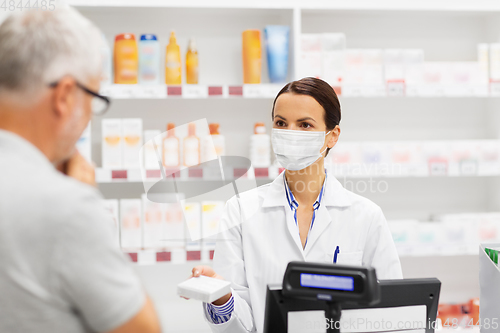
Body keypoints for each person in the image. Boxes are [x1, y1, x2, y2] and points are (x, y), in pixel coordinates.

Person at [191, 77, 403, 333]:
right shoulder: (240, 210)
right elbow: (241, 323)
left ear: (332, 136)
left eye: (304, 125)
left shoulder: (366, 216)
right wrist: (223, 298)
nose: (290, 133)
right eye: (281, 123)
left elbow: (392, 313)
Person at [0, 7, 161, 333]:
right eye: (93, 98)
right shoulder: (65, 207)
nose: (89, 116)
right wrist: (85, 201)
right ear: (64, 96)